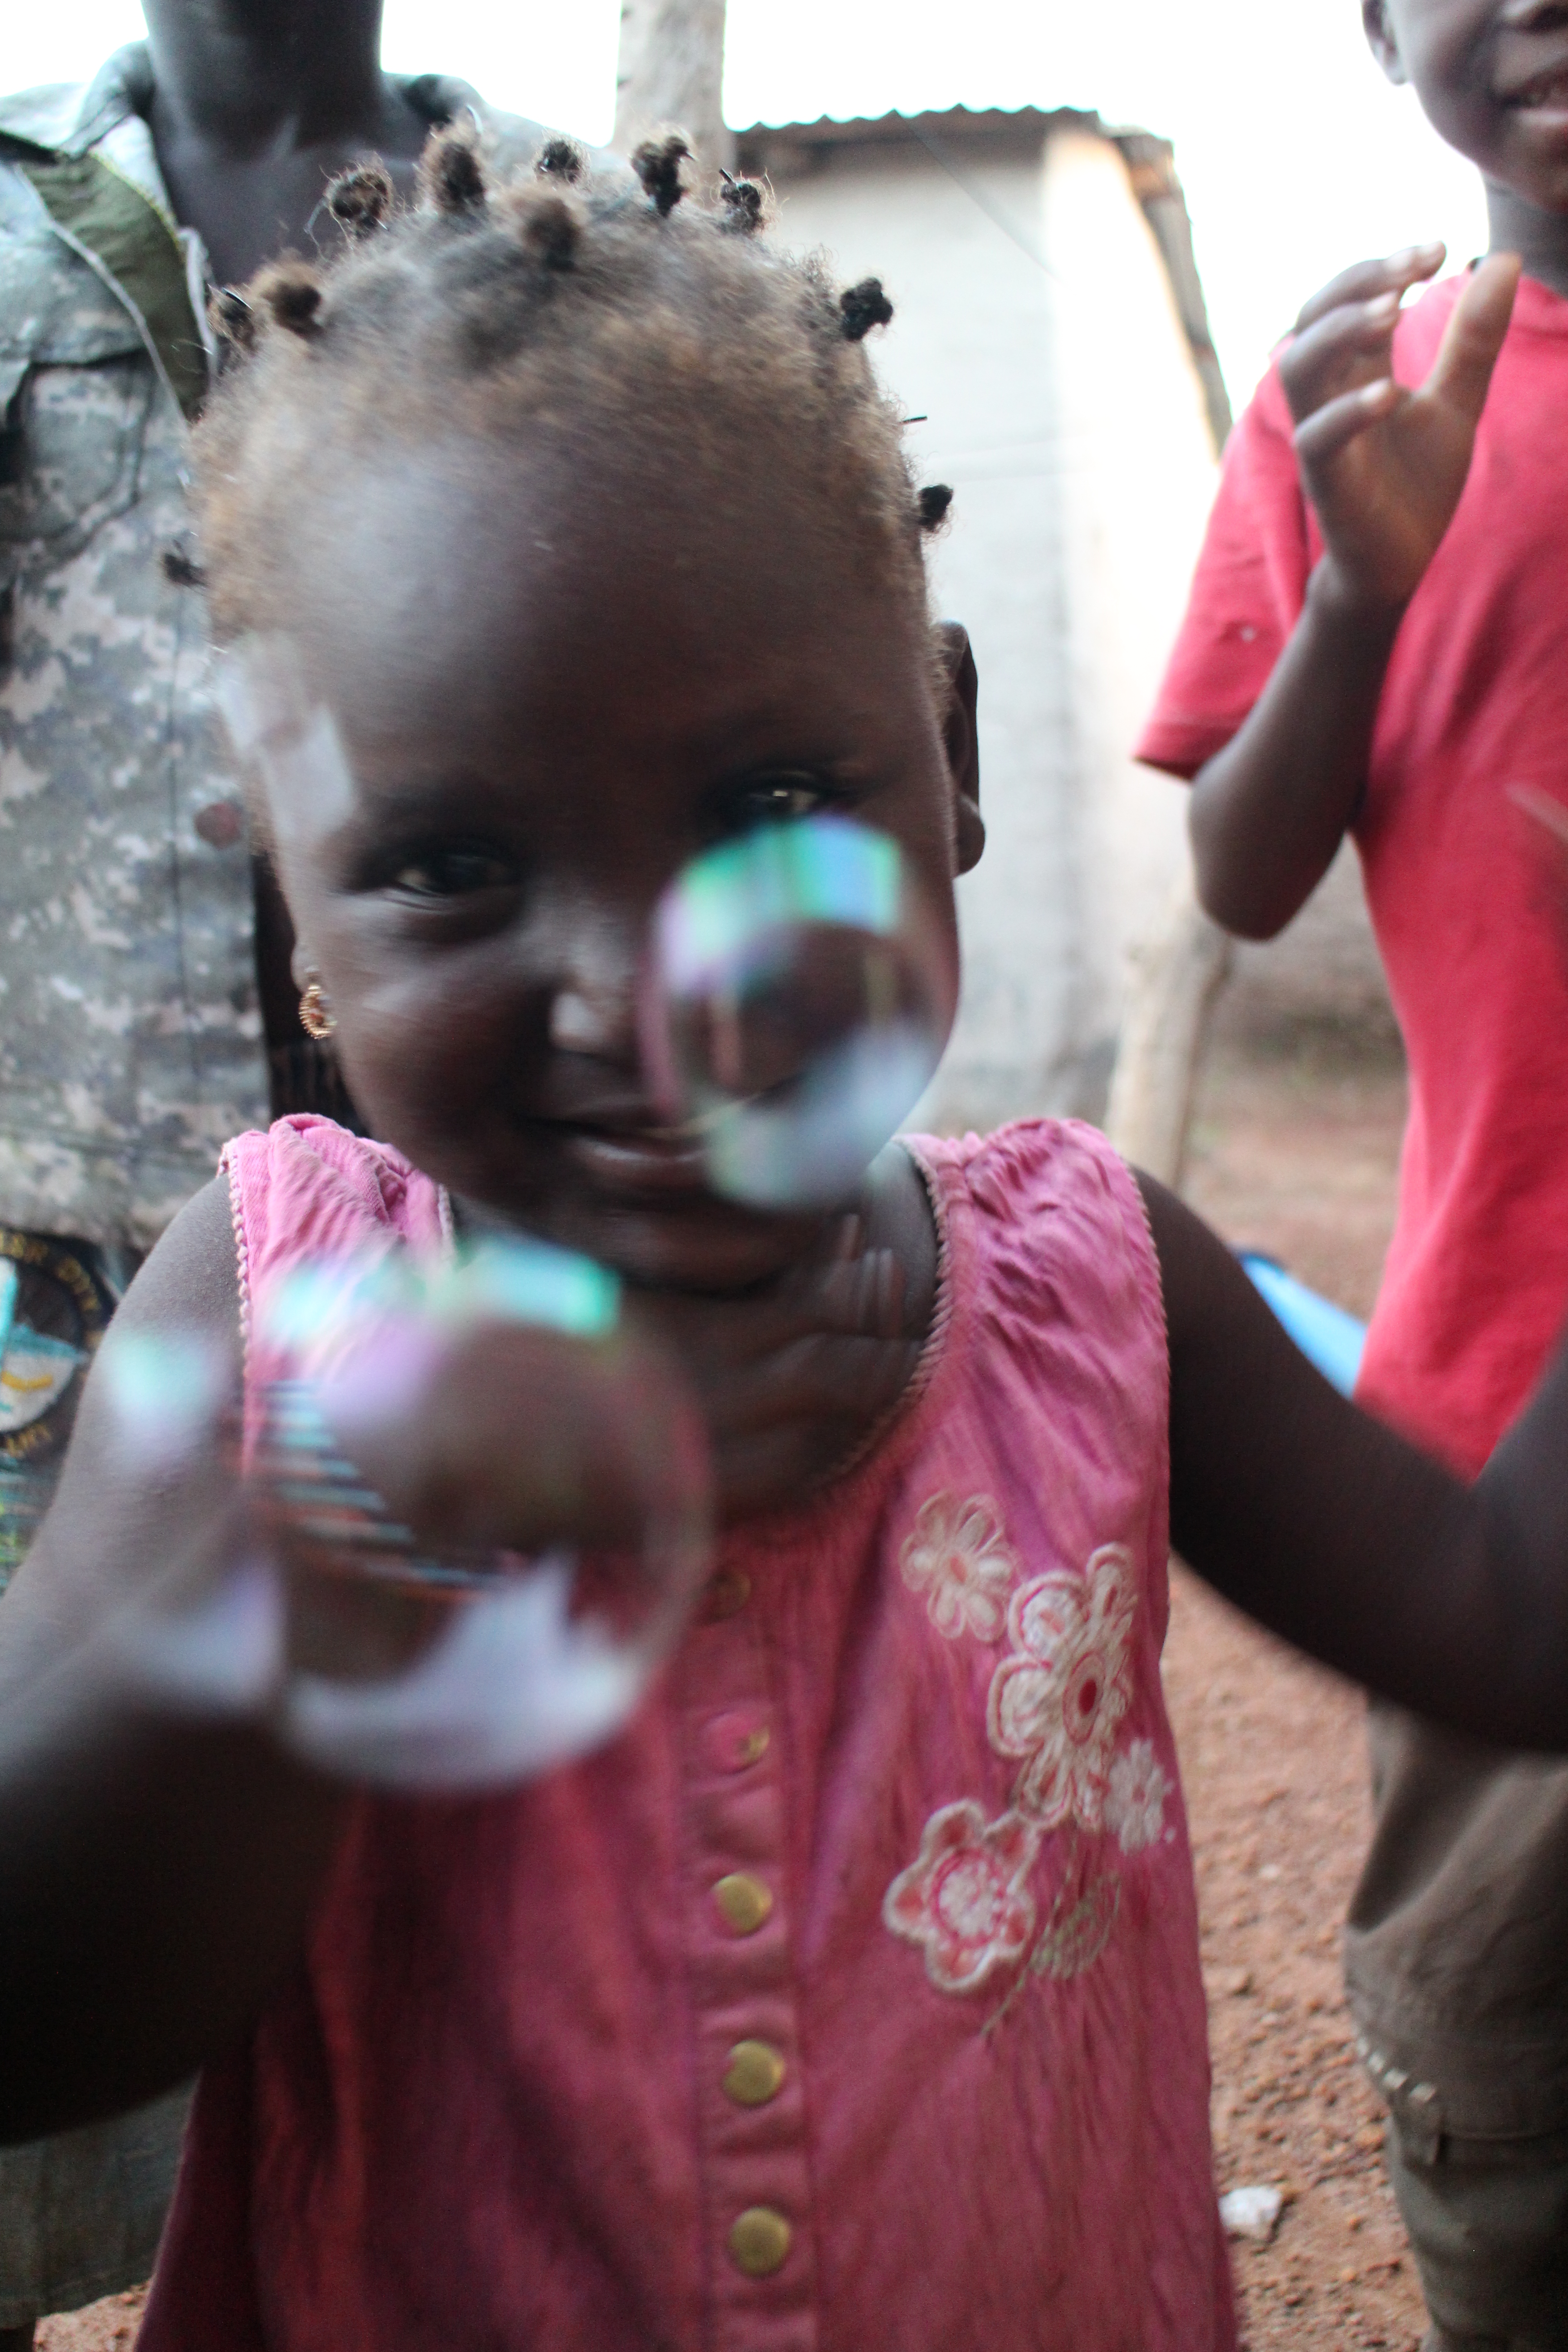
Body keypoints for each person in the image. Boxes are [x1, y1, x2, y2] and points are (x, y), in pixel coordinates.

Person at [4, 126, 1568, 2352]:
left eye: (766, 810)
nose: (653, 991)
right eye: (449, 863)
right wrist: (374, 1527)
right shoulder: (275, 1308)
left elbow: (1513, 1624)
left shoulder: (1094, 1292)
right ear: (298, 911)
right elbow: (36, 2014)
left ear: (946, 757)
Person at [0, 6, 576, 2339]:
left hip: (476, 1253)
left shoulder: (557, 212)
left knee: (479, 1993)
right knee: (50, 1952)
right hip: (50, 1254)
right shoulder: (14, 203)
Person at [1134, 3, 1568, 2342]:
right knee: (1510, 2087)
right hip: (1509, 1436)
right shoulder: (1359, 401)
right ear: (1381, 23)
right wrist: (1357, 584)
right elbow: (1239, 870)